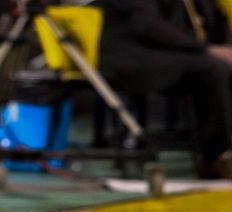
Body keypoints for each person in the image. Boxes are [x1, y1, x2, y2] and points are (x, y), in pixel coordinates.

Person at [95, 0, 232, 179]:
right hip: (135, 57)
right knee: (214, 70)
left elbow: (216, 22)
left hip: (178, 54)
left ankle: (223, 154)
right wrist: (206, 50)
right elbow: (148, 26)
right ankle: (216, 158)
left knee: (220, 67)